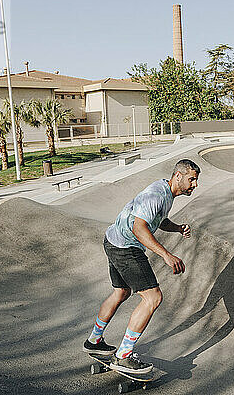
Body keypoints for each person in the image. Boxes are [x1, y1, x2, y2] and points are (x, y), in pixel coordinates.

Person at [83, 159, 200, 374]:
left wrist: (177, 228)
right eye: (191, 180)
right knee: (153, 297)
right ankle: (123, 355)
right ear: (178, 176)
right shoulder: (157, 194)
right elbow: (139, 227)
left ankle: (94, 341)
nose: (194, 185)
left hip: (113, 240)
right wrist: (166, 254)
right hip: (126, 247)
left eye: (196, 181)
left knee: (121, 292)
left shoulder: (166, 193)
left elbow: (158, 220)